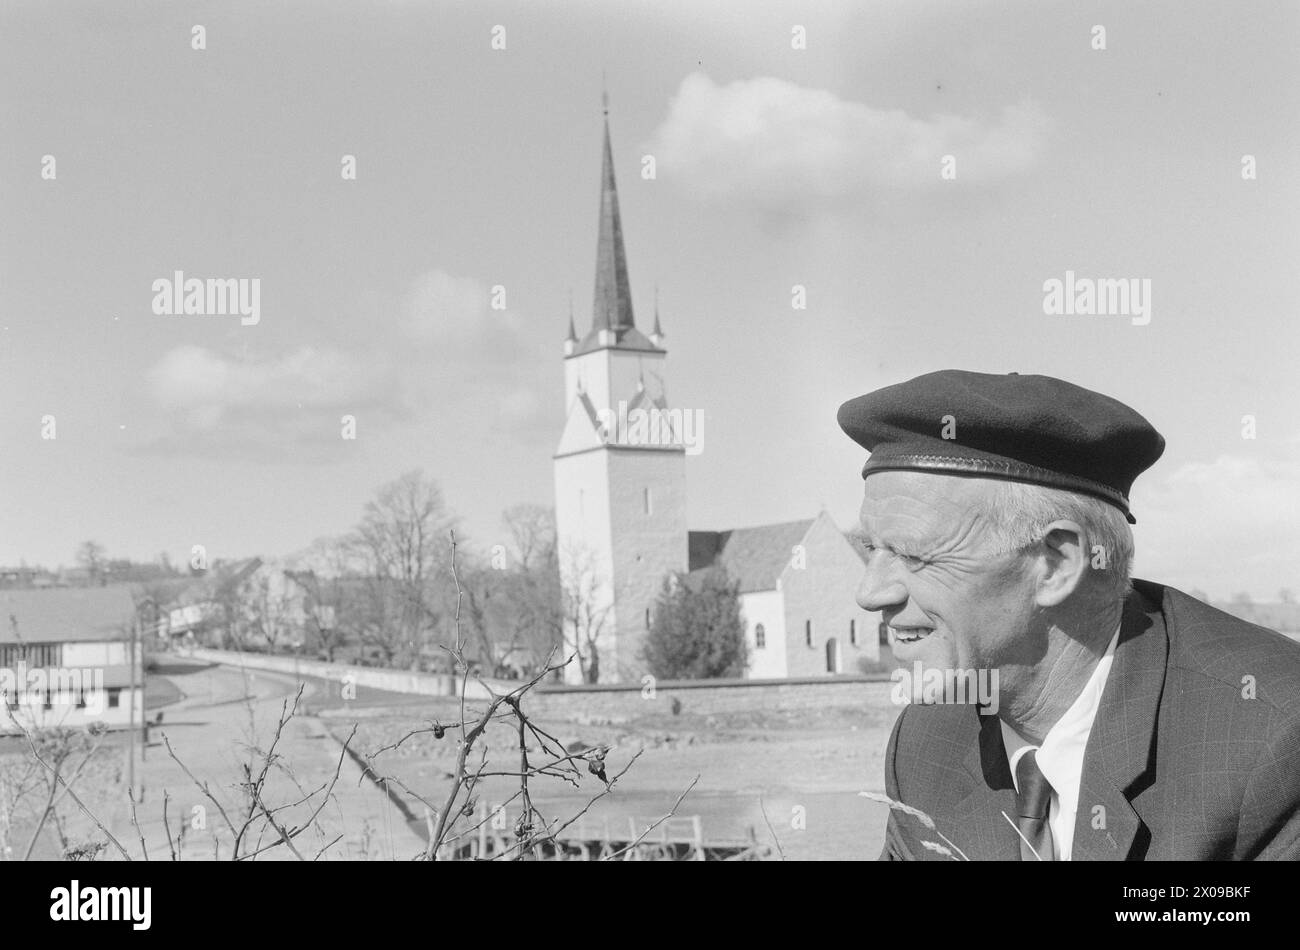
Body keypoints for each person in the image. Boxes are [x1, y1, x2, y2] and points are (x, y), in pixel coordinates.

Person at [838, 369, 1300, 860]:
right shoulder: (926, 744)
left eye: (913, 555)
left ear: (1056, 564)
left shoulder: (1274, 740)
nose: (869, 593)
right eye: (871, 549)